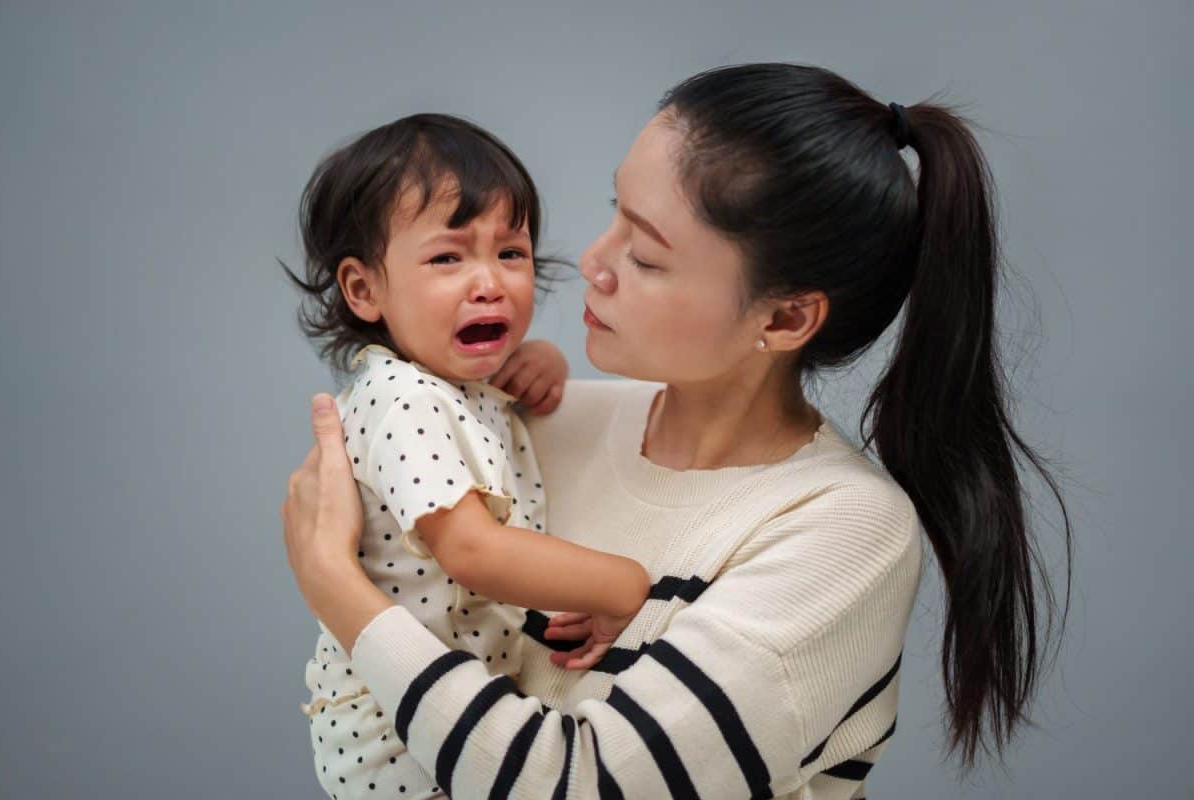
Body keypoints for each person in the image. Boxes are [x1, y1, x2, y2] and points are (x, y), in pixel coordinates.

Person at [282, 63, 1073, 799]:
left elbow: (580, 784)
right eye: (612, 213)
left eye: (648, 256)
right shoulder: (529, 423)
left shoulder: (844, 533)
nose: (592, 262)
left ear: (786, 316)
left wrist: (337, 591)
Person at [281, 113, 651, 799]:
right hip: (394, 741)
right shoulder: (402, 398)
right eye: (447, 258)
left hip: (447, 706)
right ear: (363, 290)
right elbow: (473, 551)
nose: (489, 283)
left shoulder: (454, 384)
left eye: (510, 253)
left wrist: (535, 361)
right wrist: (625, 584)